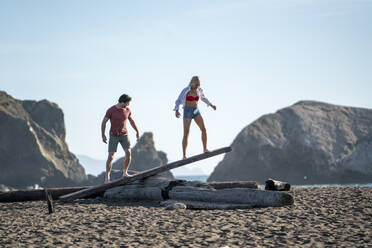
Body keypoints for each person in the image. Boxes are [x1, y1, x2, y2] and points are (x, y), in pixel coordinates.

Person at [174, 76, 217, 159]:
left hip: (196, 110)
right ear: (192, 83)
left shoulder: (199, 90)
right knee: (186, 134)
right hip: (187, 111)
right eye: (196, 84)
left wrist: (211, 105)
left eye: (198, 84)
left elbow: (203, 98)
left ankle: (205, 149)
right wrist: (176, 110)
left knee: (203, 129)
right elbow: (178, 100)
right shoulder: (186, 90)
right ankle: (184, 155)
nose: (197, 86)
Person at [101, 94, 140, 183]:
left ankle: (125, 172)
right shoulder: (111, 110)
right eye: (128, 102)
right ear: (123, 102)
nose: (129, 104)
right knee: (111, 157)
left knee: (128, 153)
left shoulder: (127, 110)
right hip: (113, 135)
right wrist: (103, 135)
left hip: (124, 135)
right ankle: (107, 177)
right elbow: (104, 122)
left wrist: (137, 131)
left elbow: (132, 121)